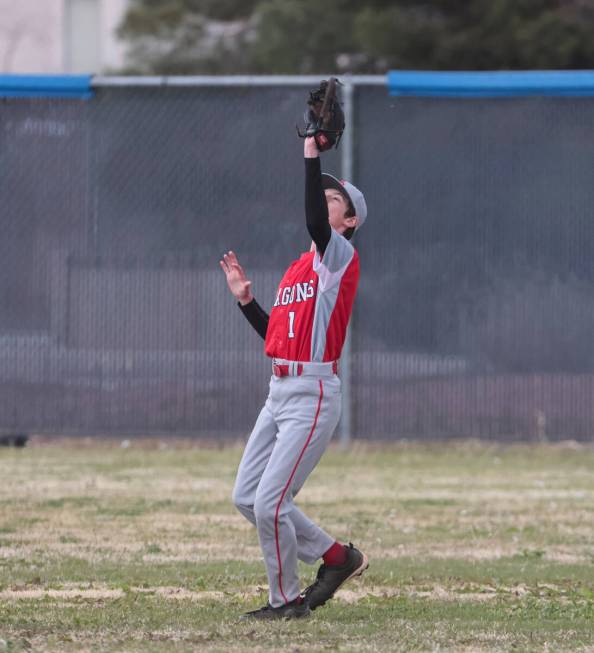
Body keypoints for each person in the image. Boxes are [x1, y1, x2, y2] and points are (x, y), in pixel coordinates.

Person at [219, 136, 368, 620]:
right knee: (248, 497)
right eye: (322, 194)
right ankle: (335, 557)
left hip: (312, 394)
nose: (325, 202)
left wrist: (310, 151)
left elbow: (313, 223)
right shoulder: (298, 269)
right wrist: (246, 302)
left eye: (334, 200)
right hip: (279, 389)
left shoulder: (338, 257)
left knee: (271, 503)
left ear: (349, 222)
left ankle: (285, 603)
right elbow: (276, 337)